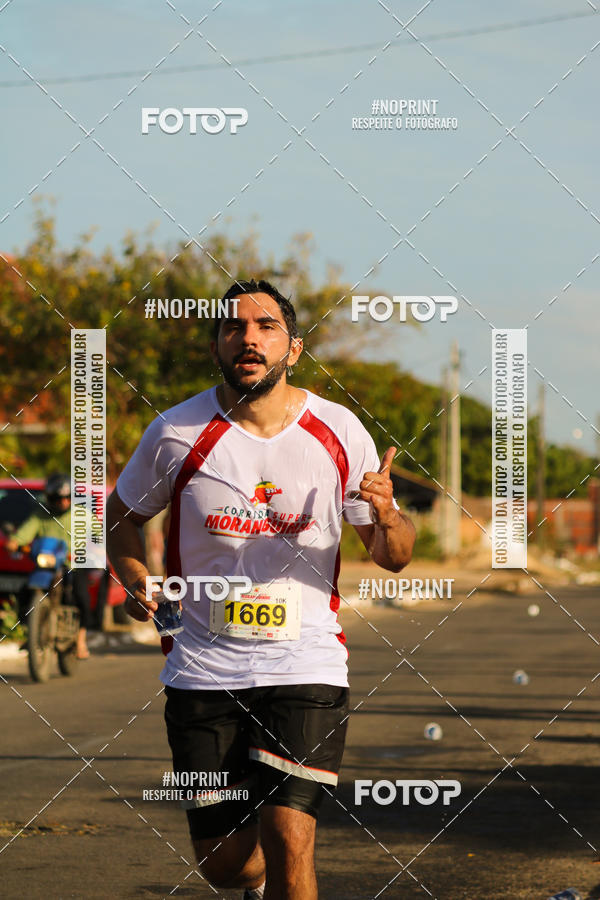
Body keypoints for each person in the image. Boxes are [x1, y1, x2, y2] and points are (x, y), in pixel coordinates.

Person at [106, 279, 415, 900]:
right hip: (203, 669)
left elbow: (392, 559)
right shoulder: (177, 432)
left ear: (293, 348)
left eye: (266, 327)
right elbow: (120, 519)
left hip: (305, 659)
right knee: (226, 866)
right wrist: (136, 576)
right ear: (217, 346)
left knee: (290, 835)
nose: (249, 338)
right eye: (233, 328)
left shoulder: (338, 430)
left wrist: (386, 516)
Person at [7, 472, 91, 659]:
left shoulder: (82, 516)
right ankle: (32, 632)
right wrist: (15, 542)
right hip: (45, 566)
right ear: (50, 497)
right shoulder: (40, 515)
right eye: (58, 498)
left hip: (72, 566)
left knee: (81, 597)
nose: (63, 502)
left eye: (67, 498)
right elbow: (22, 535)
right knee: (23, 593)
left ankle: (80, 639)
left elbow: (97, 538)